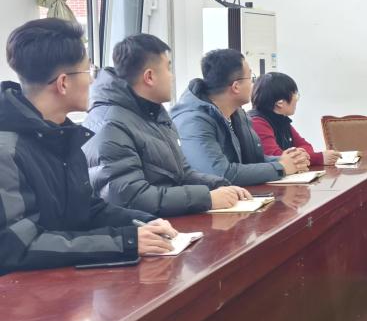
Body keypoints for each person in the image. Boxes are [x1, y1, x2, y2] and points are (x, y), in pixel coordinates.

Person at [0, 19, 177, 273]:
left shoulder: (62, 134)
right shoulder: (7, 150)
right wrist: (124, 242)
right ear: (63, 83)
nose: (93, 82)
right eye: (88, 72)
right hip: (26, 293)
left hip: (64, 284)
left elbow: (87, 209)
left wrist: (144, 223)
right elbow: (20, 246)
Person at [83, 34, 253, 216]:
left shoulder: (155, 114)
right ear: (149, 77)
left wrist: (219, 185)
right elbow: (130, 198)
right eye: (168, 68)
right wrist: (207, 198)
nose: (172, 77)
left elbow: (182, 173)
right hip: (145, 228)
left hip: (167, 222)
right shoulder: (110, 125)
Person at [171, 49, 309, 186]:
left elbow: (252, 160)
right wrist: (281, 167)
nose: (253, 84)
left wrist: (285, 161)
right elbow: (220, 174)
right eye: (251, 78)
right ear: (236, 87)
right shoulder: (193, 121)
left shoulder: (237, 114)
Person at [251, 72, 340, 166]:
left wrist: (296, 154)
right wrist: (319, 158)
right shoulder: (257, 122)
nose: (297, 99)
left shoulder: (282, 120)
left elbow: (307, 146)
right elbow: (277, 158)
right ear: (280, 102)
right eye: (295, 94)